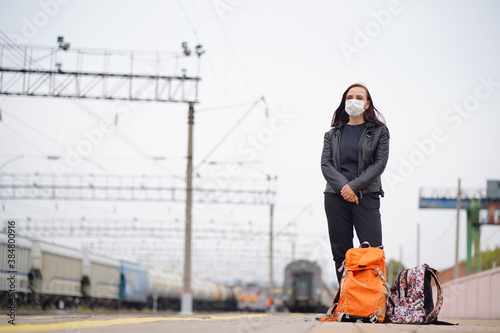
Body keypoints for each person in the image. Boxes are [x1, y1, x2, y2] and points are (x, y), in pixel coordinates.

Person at [321, 83, 389, 283]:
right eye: (350, 97)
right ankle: (346, 302)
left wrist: (354, 187)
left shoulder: (379, 132)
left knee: (372, 249)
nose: (354, 100)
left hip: (366, 197)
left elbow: (380, 163)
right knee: (340, 253)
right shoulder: (331, 135)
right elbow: (326, 164)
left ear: (367, 104)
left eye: (360, 97)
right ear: (344, 102)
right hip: (335, 197)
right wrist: (344, 188)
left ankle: (372, 303)